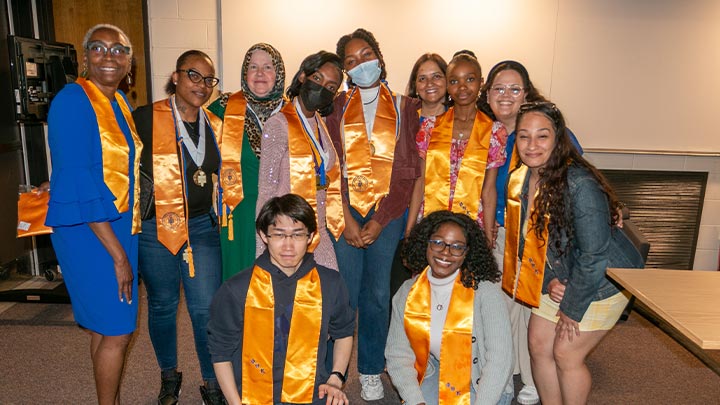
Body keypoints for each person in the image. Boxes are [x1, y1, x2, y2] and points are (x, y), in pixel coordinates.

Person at [504, 102, 644, 405]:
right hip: (559, 273)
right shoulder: (522, 178)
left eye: (542, 136)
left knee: (565, 353)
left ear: (558, 139)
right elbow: (526, 244)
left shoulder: (579, 183)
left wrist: (571, 307)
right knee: (538, 344)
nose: (531, 145)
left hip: (605, 278)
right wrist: (549, 283)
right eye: (523, 136)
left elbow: (593, 255)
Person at [477, 60, 584, 405]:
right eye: (498, 88)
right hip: (500, 234)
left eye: (514, 88)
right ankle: (504, 375)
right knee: (502, 309)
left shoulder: (551, 131)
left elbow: (581, 181)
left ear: (527, 93)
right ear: (487, 94)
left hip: (542, 238)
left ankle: (535, 379)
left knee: (535, 311)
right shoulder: (484, 133)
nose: (505, 95)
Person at [46, 24, 140, 404]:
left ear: (129, 62)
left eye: (119, 50)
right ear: (85, 57)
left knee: (106, 327)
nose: (109, 56)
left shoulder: (119, 102)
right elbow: (79, 180)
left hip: (119, 223)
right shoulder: (72, 100)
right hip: (90, 229)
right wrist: (118, 255)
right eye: (98, 48)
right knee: (118, 330)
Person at [325, 28, 421, 401]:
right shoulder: (334, 108)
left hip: (389, 211)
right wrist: (348, 220)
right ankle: (338, 369)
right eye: (351, 61)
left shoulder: (405, 107)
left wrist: (380, 220)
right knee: (346, 294)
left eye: (366, 55)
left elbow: (407, 170)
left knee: (378, 295)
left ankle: (369, 368)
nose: (361, 64)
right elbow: (330, 166)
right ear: (345, 70)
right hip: (344, 209)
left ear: (379, 57)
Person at [132, 50, 225, 405]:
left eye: (208, 79)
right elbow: (111, 159)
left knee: (205, 308)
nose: (201, 85)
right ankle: (169, 375)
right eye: (193, 75)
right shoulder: (145, 118)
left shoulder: (214, 125)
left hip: (202, 227)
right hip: (156, 229)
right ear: (175, 77)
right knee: (162, 305)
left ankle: (211, 380)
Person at [208, 194, 355, 405]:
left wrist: (336, 378)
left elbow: (344, 332)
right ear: (264, 236)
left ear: (311, 236)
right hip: (252, 396)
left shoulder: (330, 282)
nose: (288, 246)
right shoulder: (237, 289)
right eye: (279, 235)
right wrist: (234, 402)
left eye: (297, 235)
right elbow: (220, 352)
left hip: (313, 393)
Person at [386, 210, 514, 405]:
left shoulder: (486, 293)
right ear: (426, 244)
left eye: (457, 247)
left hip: (481, 383)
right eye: (438, 242)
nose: (445, 252)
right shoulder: (407, 292)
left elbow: (500, 360)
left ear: (467, 253)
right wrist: (415, 402)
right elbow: (398, 355)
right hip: (435, 374)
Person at [256, 51, 344, 270]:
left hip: (317, 231)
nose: (323, 88)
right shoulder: (279, 124)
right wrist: (263, 246)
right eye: (318, 79)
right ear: (303, 76)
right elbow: (266, 190)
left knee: (327, 289)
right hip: (287, 233)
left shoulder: (319, 123)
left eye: (331, 87)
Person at [407, 52, 505, 245]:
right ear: (447, 86)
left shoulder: (493, 131)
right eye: (454, 81)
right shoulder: (430, 127)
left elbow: (489, 189)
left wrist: (487, 237)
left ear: (481, 83)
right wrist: (410, 230)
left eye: (469, 79)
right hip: (430, 218)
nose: (462, 87)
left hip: (472, 221)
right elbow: (420, 182)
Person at [208, 43, 286, 280]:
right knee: (239, 277)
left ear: (279, 73)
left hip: (281, 210)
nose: (260, 73)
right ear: (244, 73)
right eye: (253, 67)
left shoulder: (292, 113)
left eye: (267, 67)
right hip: (237, 211)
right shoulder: (221, 110)